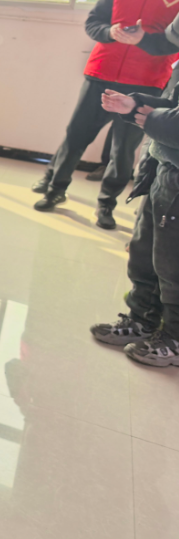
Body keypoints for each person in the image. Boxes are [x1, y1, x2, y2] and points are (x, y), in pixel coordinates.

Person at [32, 0, 179, 229]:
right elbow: (93, 22)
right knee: (76, 136)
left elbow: (173, 42)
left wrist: (143, 40)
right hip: (101, 74)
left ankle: (106, 205)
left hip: (146, 83)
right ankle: (56, 189)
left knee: (123, 151)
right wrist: (110, 32)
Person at [90, 32, 179, 366]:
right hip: (165, 166)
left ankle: (174, 337)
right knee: (145, 254)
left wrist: (155, 121)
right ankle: (143, 319)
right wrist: (137, 106)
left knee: (173, 266)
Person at [84, 0, 158, 182]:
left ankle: (113, 180)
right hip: (108, 71)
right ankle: (63, 177)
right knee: (85, 128)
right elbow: (94, 22)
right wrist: (110, 32)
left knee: (126, 135)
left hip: (149, 78)